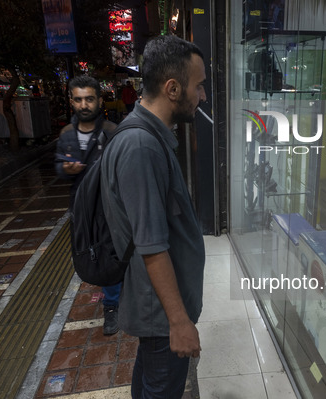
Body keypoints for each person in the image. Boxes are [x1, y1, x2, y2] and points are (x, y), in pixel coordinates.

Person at [100, 35, 206, 398]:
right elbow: (151, 244)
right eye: (199, 86)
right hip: (162, 316)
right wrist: (179, 322)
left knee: (149, 386)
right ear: (173, 88)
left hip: (158, 310)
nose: (202, 96)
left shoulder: (148, 136)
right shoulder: (141, 146)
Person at [55, 75, 122, 336]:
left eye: (89, 99)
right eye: (79, 99)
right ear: (71, 101)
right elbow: (59, 168)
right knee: (88, 252)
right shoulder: (66, 134)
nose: (84, 105)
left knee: (109, 252)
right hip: (81, 208)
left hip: (108, 208)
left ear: (99, 100)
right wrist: (66, 168)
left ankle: (112, 304)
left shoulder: (112, 131)